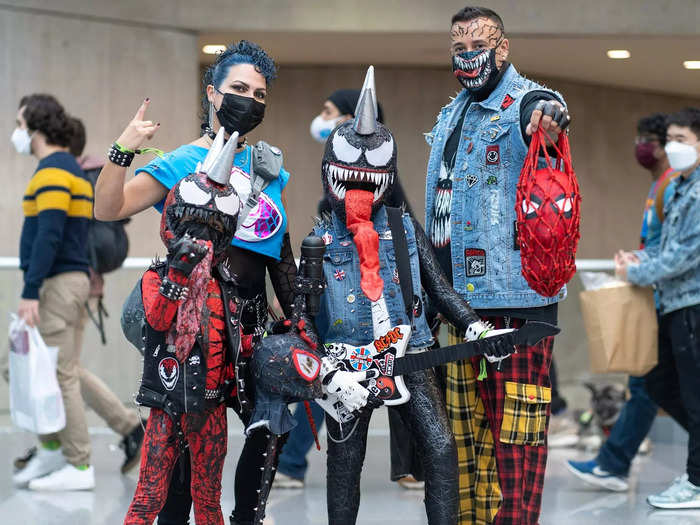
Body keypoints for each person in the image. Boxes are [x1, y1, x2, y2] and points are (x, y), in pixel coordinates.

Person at [94, 41, 297, 525]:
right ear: (213, 94)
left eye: (260, 94)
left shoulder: (270, 169)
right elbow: (108, 209)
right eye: (239, 89)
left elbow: (274, 247)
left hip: (249, 330)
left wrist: (295, 315)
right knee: (182, 463)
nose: (251, 100)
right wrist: (122, 148)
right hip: (191, 329)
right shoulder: (185, 161)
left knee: (270, 430)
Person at [310, 67, 513, 525]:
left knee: (441, 449)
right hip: (348, 363)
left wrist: (475, 326)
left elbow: (439, 289)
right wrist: (318, 364)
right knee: (345, 462)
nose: (361, 179)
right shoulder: (318, 239)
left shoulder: (402, 228)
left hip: (413, 350)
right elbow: (305, 311)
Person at [424, 6, 571, 524]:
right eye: (459, 49)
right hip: (458, 307)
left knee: (517, 447)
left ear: (502, 48)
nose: (468, 57)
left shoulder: (521, 104)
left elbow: (546, 109)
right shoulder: (452, 113)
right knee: (464, 449)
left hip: (516, 306)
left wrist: (548, 115)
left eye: (478, 47)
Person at [277, 88, 423, 491]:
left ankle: (292, 462)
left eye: (329, 113)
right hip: (344, 293)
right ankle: (293, 461)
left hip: (372, 299)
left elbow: (409, 241)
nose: (321, 120)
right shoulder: (337, 181)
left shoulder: (380, 189)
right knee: (334, 373)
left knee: (351, 372)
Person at [124, 131, 240, 524]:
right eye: (193, 229)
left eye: (210, 232)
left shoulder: (225, 288)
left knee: (208, 500)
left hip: (211, 407)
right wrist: (178, 275)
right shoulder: (156, 279)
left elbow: (235, 343)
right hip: (166, 404)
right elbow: (157, 323)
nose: (201, 241)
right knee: (149, 496)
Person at [567, 113, 676, 491]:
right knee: (648, 386)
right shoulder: (658, 186)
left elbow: (678, 250)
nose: (641, 147)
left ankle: (613, 464)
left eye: (649, 139)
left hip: (672, 302)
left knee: (655, 387)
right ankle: (613, 464)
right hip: (659, 298)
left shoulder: (673, 185)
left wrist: (642, 267)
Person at [615, 107, 700, 510]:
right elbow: (667, 248)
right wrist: (638, 261)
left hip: (692, 306)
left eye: (682, 140)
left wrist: (639, 274)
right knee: (659, 383)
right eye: (671, 140)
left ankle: (697, 482)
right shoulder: (680, 187)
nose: (672, 148)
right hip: (673, 304)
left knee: (693, 394)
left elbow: (684, 256)